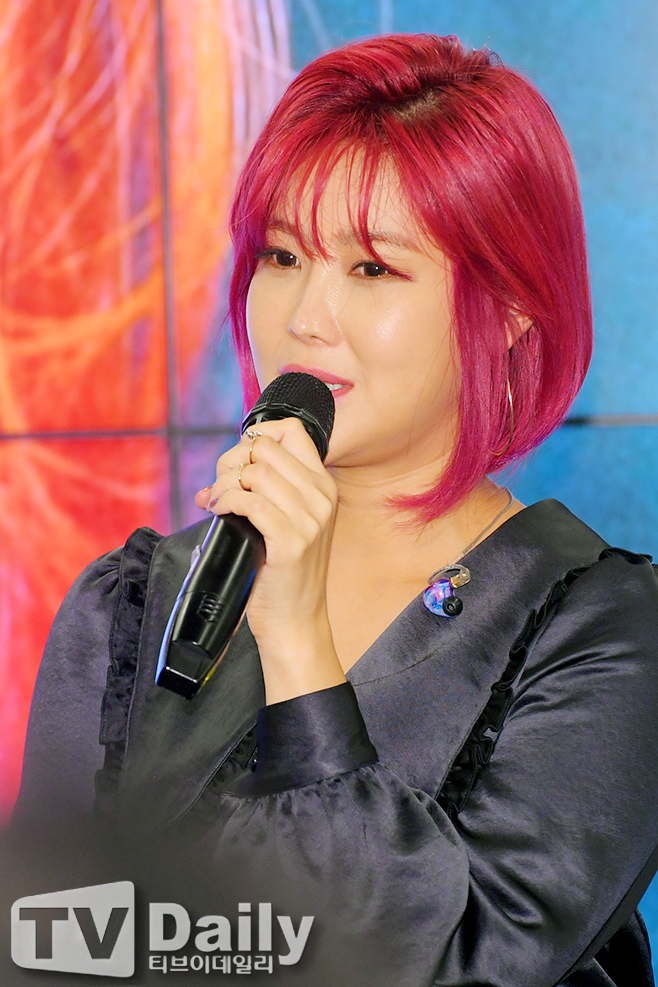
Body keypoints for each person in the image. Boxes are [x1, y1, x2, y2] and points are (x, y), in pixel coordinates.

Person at [14, 33, 658, 987]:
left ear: (510, 306)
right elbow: (47, 940)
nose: (304, 317)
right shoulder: (131, 605)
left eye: (371, 269)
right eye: (282, 255)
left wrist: (299, 648)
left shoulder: (602, 631)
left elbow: (474, 965)